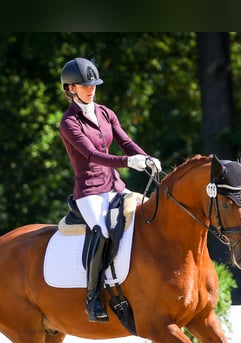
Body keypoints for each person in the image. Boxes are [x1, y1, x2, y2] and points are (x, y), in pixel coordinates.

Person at [59, 57, 161, 322]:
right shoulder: (70, 123)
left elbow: (126, 141)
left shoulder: (105, 113)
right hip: (90, 192)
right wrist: (130, 162)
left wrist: (146, 158)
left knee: (145, 215)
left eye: (93, 84)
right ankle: (93, 298)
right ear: (70, 88)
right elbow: (92, 155)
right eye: (84, 85)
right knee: (103, 231)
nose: (91, 88)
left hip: (115, 185)